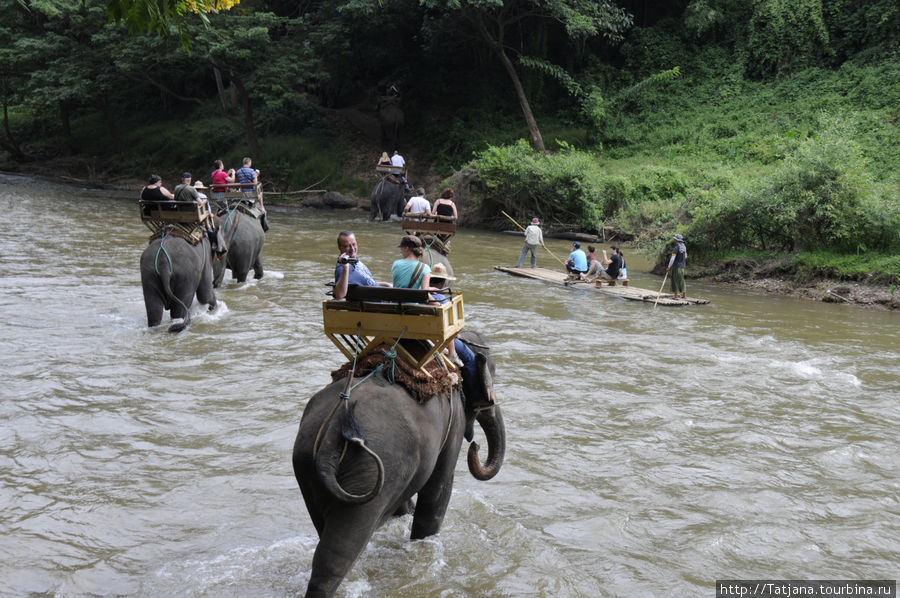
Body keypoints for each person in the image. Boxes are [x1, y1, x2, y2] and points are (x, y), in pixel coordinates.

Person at [427, 262, 470, 368]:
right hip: (438, 338)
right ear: (443, 283)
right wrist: (455, 334)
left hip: (418, 334)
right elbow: (448, 325)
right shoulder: (443, 300)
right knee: (470, 360)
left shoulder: (420, 296)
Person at [332, 230, 391, 300]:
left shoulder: (354, 261)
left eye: (354, 244)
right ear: (339, 247)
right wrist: (345, 268)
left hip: (383, 298)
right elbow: (339, 294)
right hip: (379, 305)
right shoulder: (342, 267)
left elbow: (366, 282)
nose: (352, 249)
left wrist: (385, 284)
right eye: (347, 246)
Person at [235, 156, 268, 232]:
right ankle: (262, 207)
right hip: (251, 192)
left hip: (242, 192)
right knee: (260, 192)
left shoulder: (239, 171)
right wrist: (256, 175)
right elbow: (255, 183)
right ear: (249, 163)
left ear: (243, 163)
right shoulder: (251, 171)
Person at [667, 233, 688, 299]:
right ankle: (684, 295)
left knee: (675, 280)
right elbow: (686, 256)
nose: (674, 240)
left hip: (676, 266)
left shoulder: (676, 248)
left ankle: (676, 296)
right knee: (682, 280)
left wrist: (669, 267)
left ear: (676, 240)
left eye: (674, 239)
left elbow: (672, 258)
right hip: (682, 267)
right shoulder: (684, 247)